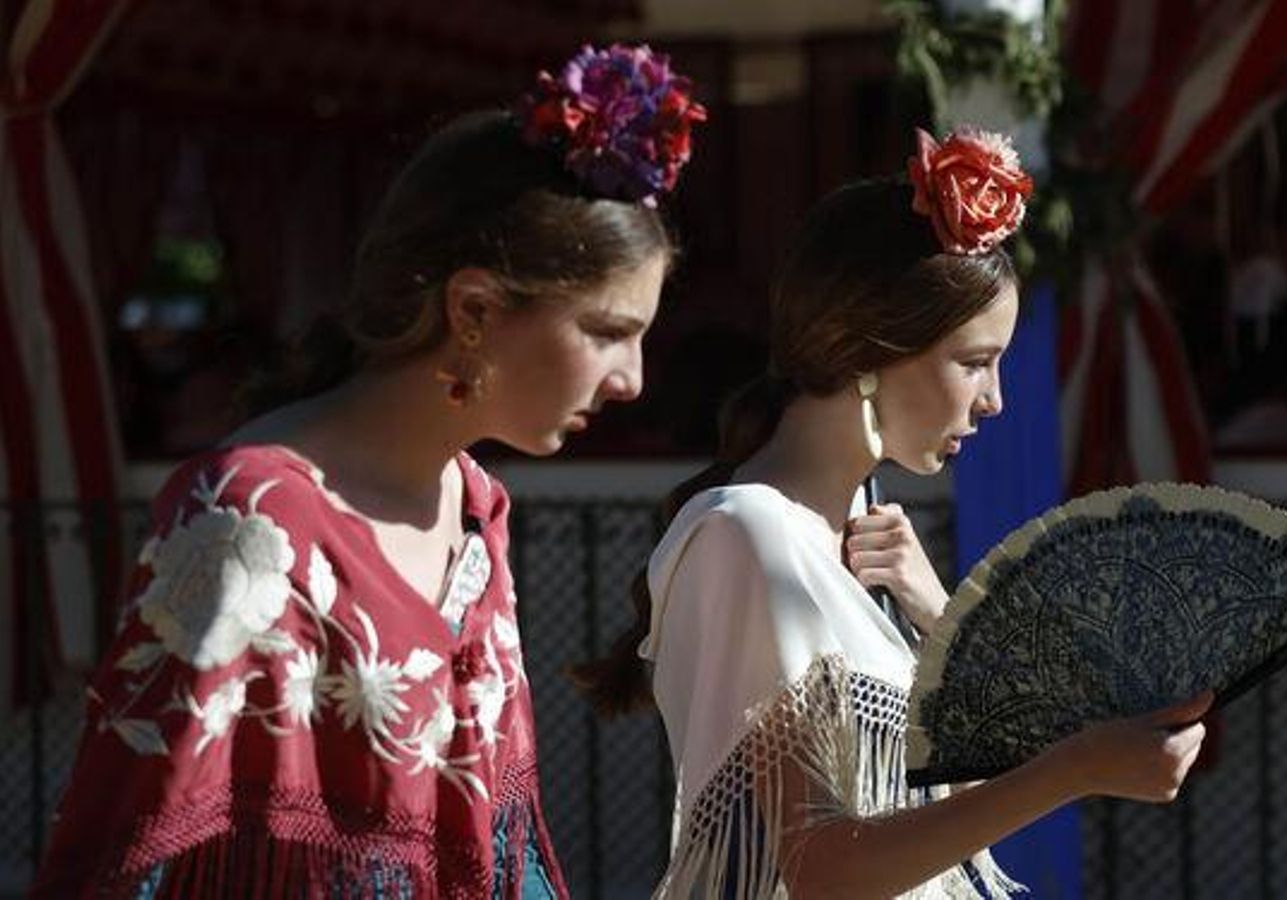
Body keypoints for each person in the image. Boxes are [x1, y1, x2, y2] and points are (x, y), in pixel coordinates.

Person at [31, 44, 705, 899]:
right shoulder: (252, 515)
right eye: (608, 331)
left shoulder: (475, 508)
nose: (633, 379)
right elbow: (134, 851)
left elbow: (501, 852)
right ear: (474, 309)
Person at [572, 129, 1211, 899]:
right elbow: (822, 869)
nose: (995, 399)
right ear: (869, 349)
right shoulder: (750, 534)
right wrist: (1075, 768)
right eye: (974, 362)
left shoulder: (854, 542)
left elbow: (946, 817)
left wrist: (942, 618)